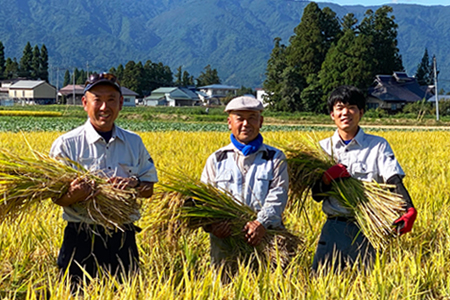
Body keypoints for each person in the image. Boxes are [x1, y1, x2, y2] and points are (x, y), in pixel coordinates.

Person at [49, 73, 158, 286]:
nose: (104, 107)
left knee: (126, 292)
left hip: (122, 238)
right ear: (84, 103)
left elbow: (149, 189)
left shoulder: (134, 142)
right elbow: (57, 198)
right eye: (97, 99)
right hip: (81, 237)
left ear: (120, 103)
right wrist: (74, 195)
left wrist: (134, 184)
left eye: (110, 100)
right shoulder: (67, 144)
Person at [311, 85, 417, 272]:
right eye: (340, 108)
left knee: (368, 285)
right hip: (334, 226)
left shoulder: (378, 145)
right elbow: (317, 195)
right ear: (332, 114)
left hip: (368, 228)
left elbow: (393, 179)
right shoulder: (323, 149)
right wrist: (326, 179)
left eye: (352, 107)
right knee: (321, 283)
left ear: (361, 112)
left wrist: (409, 208)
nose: (346, 112)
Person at [201, 96, 289, 273]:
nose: (246, 123)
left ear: (261, 121)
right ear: (229, 122)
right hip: (225, 243)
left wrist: (261, 223)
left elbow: (278, 195)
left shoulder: (274, 158)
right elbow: (204, 199)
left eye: (252, 117)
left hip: (266, 240)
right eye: (239, 118)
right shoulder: (217, 159)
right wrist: (213, 225)